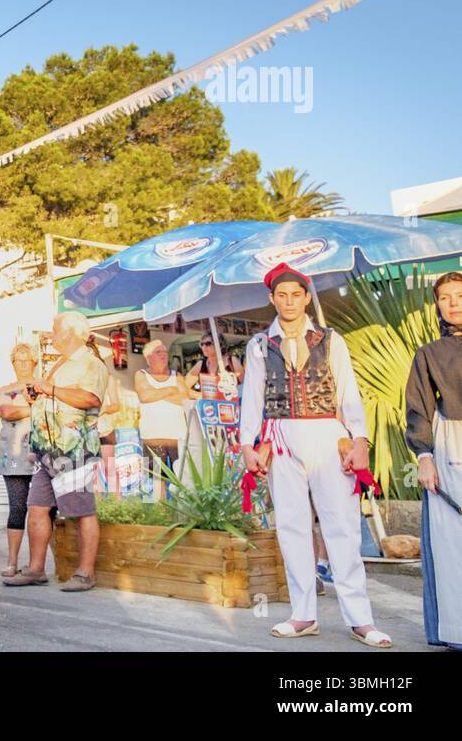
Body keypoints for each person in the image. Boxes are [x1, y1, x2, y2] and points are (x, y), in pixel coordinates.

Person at [240, 263, 390, 647]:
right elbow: (252, 399)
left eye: (296, 294)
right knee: (291, 527)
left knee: (340, 525)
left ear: (306, 297)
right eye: (282, 295)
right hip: (280, 438)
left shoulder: (330, 338)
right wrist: (246, 445)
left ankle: (361, 619)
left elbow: (348, 393)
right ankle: (303, 614)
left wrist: (359, 440)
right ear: (272, 299)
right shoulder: (259, 344)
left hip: (326, 433)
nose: (289, 301)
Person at [20, 311, 110, 591]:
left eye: (55, 329)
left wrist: (51, 389)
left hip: (73, 450)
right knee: (36, 508)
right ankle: (36, 569)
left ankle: (86, 573)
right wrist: (36, 397)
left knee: (82, 510)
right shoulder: (59, 363)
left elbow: (90, 398)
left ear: (71, 332)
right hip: (46, 450)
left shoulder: (90, 363)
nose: (51, 334)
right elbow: (52, 395)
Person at [405, 270, 462, 650]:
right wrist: (424, 457)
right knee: (451, 542)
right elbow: (419, 409)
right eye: (445, 297)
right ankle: (456, 629)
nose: (453, 302)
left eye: (459, 294)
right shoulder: (429, 354)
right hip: (451, 446)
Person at [0, 341, 41, 584]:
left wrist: (22, 407)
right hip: (13, 456)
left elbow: (47, 408)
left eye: (27, 360)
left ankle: (38, 564)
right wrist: (33, 407)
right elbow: (7, 412)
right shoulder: (6, 388)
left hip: (41, 452)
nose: (23, 364)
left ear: (34, 361)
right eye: (18, 360)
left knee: (43, 509)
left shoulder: (42, 385)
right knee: (17, 507)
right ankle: (12, 561)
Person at [134, 339, 191, 484]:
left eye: (165, 352)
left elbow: (184, 399)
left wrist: (156, 394)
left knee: (182, 478)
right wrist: (171, 390)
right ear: (148, 358)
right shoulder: (140, 374)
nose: (163, 355)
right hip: (153, 437)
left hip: (177, 437)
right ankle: (160, 507)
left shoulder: (176, 375)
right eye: (158, 352)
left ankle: (181, 507)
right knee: (157, 481)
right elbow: (145, 396)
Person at [187, 331, 243, 396]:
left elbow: (246, 385)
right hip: (209, 404)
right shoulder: (201, 364)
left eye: (208, 344)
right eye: (202, 344)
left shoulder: (231, 361)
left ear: (220, 345)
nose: (204, 347)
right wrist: (198, 395)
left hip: (231, 403)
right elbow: (185, 385)